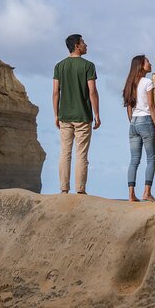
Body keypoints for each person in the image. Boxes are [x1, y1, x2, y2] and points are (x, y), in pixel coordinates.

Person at [53, 34, 100, 194]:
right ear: (77, 46)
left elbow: (55, 92)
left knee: (65, 152)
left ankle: (64, 189)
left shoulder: (59, 66)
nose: (86, 45)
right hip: (83, 115)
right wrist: (97, 114)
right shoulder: (88, 66)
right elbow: (92, 91)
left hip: (64, 115)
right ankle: (80, 190)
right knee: (81, 154)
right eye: (83, 42)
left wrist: (56, 114)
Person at [122, 54, 155, 202]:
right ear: (141, 65)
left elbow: (129, 108)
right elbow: (151, 106)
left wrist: (133, 121)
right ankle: (147, 193)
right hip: (146, 121)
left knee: (134, 160)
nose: (150, 64)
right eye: (147, 62)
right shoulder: (147, 82)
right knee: (151, 158)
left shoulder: (130, 83)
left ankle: (131, 195)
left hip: (134, 123)